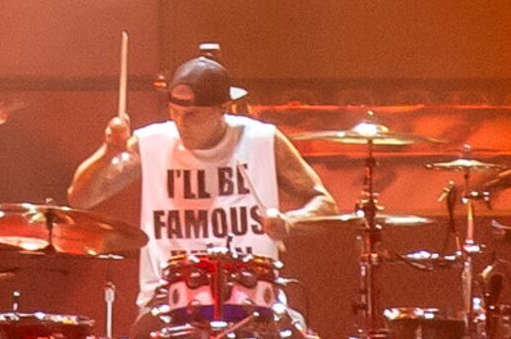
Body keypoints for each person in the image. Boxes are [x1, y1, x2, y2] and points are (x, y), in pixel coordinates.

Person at [65, 54, 334, 319]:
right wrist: (108, 151)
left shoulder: (261, 141)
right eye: (175, 112)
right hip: (167, 302)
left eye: (192, 115)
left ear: (223, 108)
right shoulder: (152, 143)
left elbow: (325, 205)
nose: (182, 123)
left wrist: (288, 223)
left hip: (252, 297)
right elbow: (81, 198)